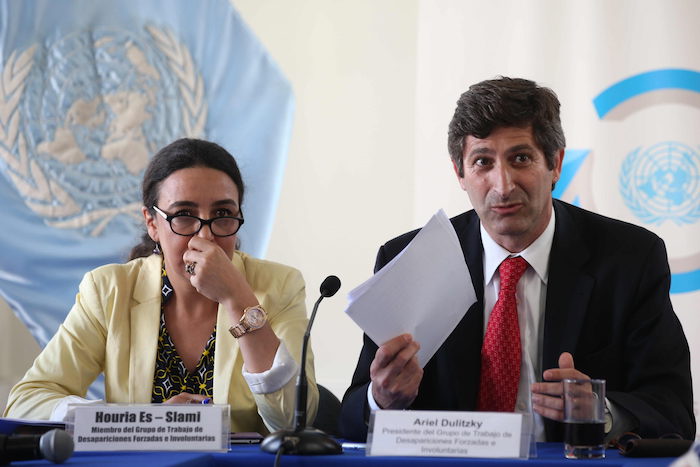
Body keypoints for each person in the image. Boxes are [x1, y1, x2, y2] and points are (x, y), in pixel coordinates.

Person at [339, 77, 695, 442]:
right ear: (460, 173)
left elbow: (673, 411)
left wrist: (601, 412)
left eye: (520, 158)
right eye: (482, 162)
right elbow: (349, 418)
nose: (503, 185)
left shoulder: (629, 258)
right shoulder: (407, 261)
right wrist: (381, 399)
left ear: (555, 164)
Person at [4, 138, 318, 434]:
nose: (205, 237)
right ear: (153, 224)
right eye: (183, 215)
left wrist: (238, 299)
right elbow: (27, 401)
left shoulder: (279, 285)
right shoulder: (109, 289)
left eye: (223, 214)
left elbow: (292, 421)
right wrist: (139, 421)